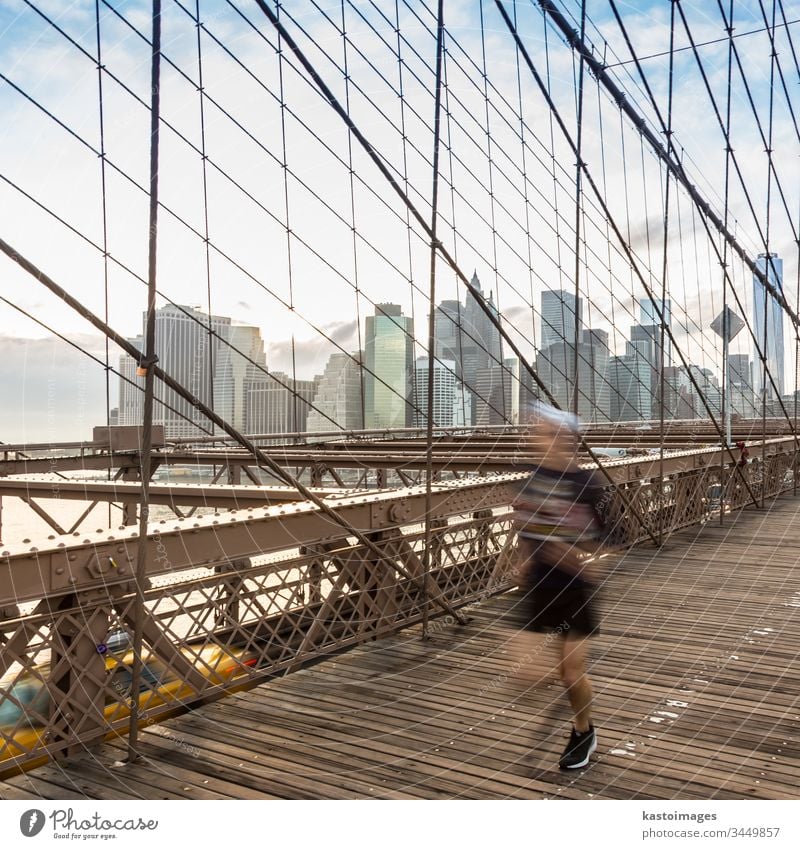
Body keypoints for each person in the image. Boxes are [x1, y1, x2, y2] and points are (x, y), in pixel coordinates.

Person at [512, 401, 609, 770]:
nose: (536, 437)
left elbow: (611, 540)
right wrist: (522, 561)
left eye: (544, 431)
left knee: (570, 673)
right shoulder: (530, 478)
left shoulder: (587, 484)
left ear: (564, 439)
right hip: (538, 585)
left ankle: (583, 731)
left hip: (575, 588)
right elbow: (525, 527)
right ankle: (577, 719)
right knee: (525, 675)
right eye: (536, 431)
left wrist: (583, 557)